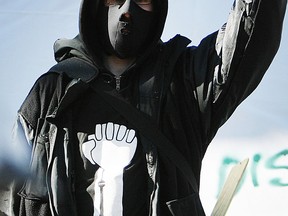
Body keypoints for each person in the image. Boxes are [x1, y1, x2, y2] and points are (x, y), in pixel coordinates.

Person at [2, 0, 287, 215]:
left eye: (143, 0)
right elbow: (9, 194)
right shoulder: (52, 92)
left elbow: (249, 41)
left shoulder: (185, 81)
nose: (127, 11)